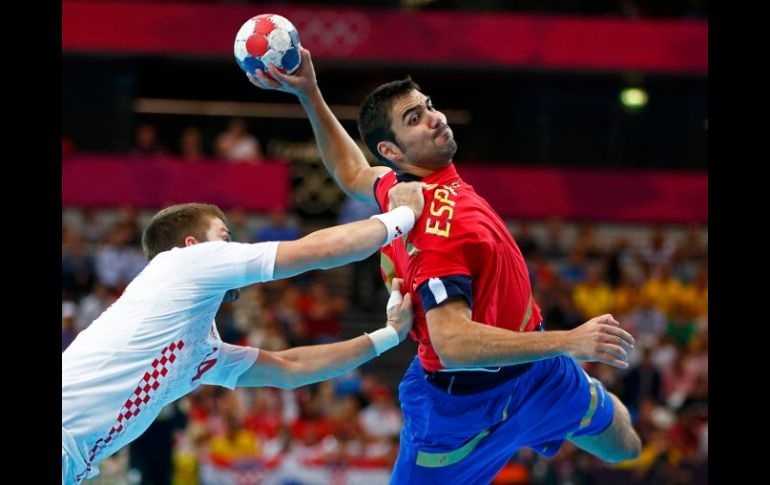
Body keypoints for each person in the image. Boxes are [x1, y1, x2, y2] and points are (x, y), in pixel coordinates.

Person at [248, 47, 641, 483]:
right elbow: (452, 342)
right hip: (460, 411)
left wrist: (310, 93)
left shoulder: (400, 187)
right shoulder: (438, 229)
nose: (435, 118)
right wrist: (570, 341)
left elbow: (353, 174)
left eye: (429, 106)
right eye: (414, 119)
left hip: (537, 374)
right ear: (391, 149)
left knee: (624, 444)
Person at [62, 183, 423, 484]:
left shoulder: (198, 350)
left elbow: (291, 369)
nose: (232, 246)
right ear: (193, 245)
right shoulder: (185, 263)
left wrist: (390, 335)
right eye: (225, 237)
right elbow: (321, 250)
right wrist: (405, 216)